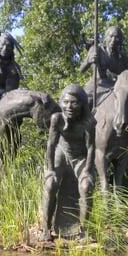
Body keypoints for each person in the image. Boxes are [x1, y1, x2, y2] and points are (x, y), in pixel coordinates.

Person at [40, 84, 96, 241]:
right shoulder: (57, 119)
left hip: (80, 157)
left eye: (74, 102)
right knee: (50, 185)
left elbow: (91, 147)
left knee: (86, 187)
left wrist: (87, 170)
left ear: (82, 105)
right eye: (65, 102)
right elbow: (51, 145)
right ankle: (46, 229)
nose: (69, 106)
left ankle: (84, 232)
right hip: (61, 154)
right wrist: (50, 170)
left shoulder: (89, 121)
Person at [80, 25, 128, 108]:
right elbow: (82, 69)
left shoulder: (122, 58)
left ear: (120, 40)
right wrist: (89, 61)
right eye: (111, 36)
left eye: (116, 37)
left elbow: (124, 76)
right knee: (84, 102)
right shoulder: (97, 49)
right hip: (97, 85)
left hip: (114, 87)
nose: (113, 40)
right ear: (106, 37)